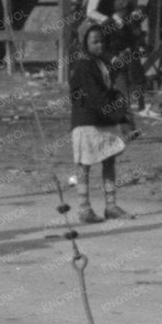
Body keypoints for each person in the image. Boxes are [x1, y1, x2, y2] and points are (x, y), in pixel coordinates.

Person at [70, 22, 134, 223]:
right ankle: (84, 208)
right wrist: (117, 110)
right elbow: (96, 96)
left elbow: (109, 91)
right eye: (95, 42)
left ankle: (111, 205)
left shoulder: (100, 64)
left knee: (109, 160)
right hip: (87, 120)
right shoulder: (83, 65)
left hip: (103, 118)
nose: (100, 45)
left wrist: (121, 111)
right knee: (84, 164)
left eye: (102, 41)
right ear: (84, 43)